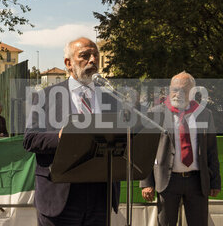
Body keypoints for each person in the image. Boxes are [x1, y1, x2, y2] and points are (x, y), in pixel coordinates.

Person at [23, 37, 120, 226]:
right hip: (60, 194)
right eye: (84, 55)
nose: (92, 60)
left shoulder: (112, 98)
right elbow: (30, 139)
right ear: (68, 63)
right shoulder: (46, 96)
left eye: (95, 55)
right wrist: (62, 137)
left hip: (100, 194)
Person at [140, 71, 220, 226]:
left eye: (183, 90)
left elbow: (211, 149)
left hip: (197, 181)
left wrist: (215, 181)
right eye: (174, 90)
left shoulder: (204, 114)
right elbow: (146, 150)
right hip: (167, 181)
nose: (177, 94)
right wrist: (146, 182)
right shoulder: (155, 114)